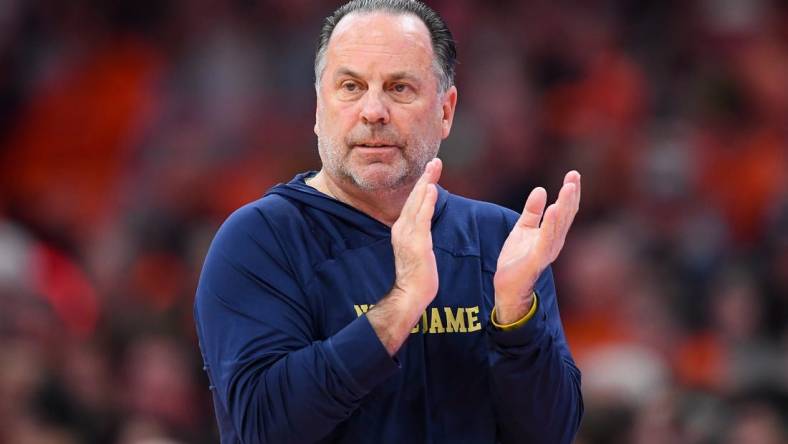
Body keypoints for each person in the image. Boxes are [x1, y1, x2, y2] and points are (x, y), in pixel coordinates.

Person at [194, 1, 583, 443]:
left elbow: (552, 434)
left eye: (399, 88)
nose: (373, 110)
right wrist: (399, 307)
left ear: (446, 111)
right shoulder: (258, 240)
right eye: (350, 86)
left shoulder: (500, 240)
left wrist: (515, 319)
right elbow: (263, 429)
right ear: (318, 109)